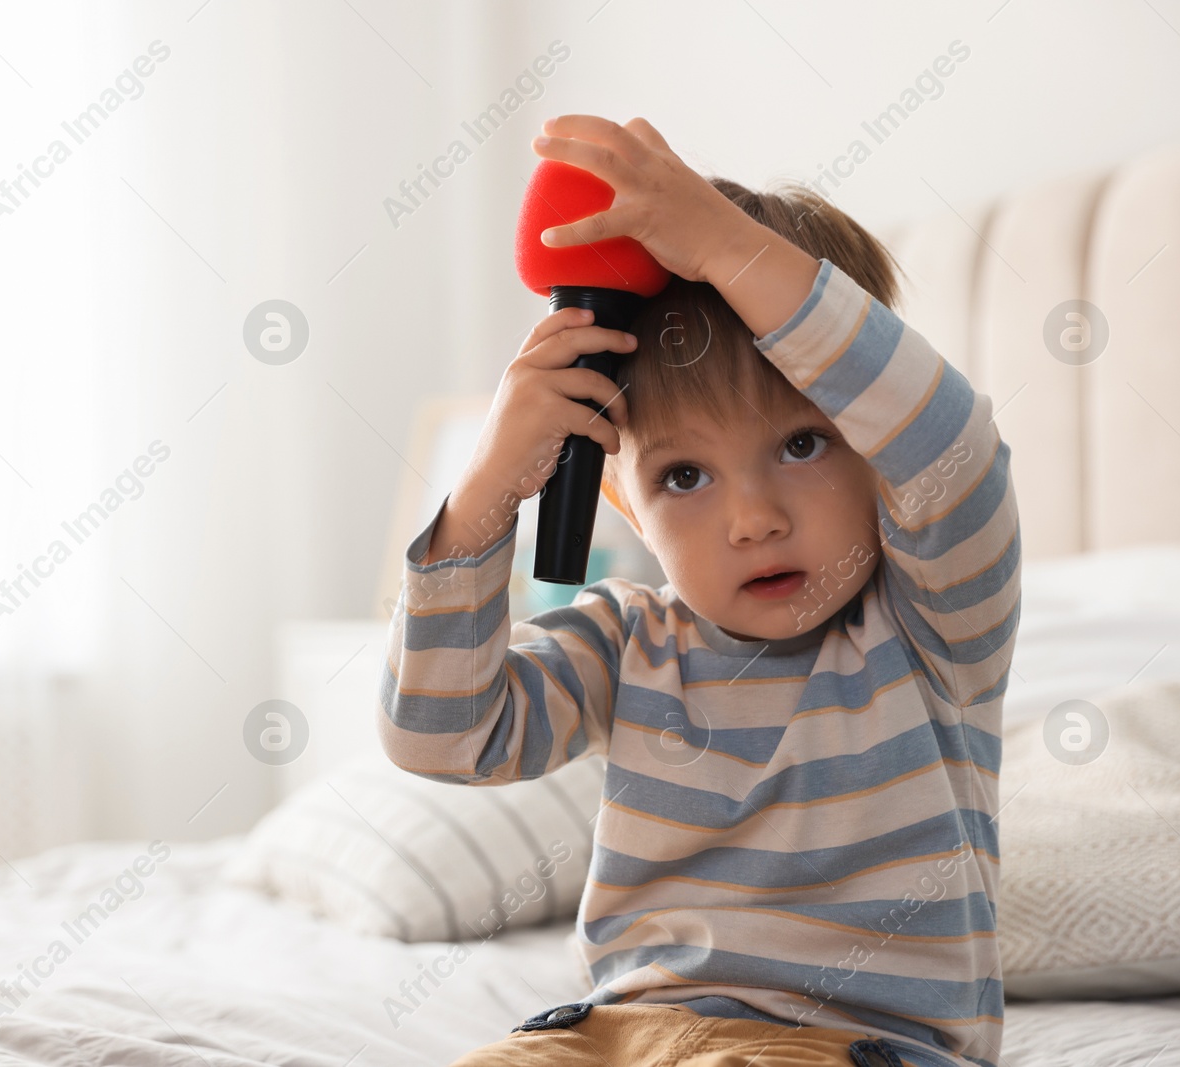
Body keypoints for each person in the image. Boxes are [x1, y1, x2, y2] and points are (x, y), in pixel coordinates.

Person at [379, 114, 1018, 1067]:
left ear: (877, 452)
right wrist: (485, 493)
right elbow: (443, 736)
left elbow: (949, 439)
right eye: (684, 476)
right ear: (628, 510)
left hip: (840, 1045)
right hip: (616, 1031)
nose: (752, 518)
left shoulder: (932, 623)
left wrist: (723, 242)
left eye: (803, 444)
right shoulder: (627, 639)